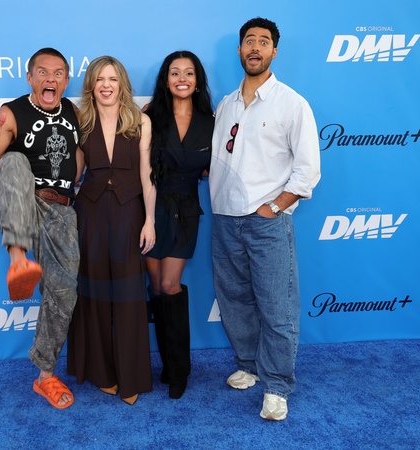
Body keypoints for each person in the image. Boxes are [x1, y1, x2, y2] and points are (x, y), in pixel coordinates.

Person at [208, 18, 321, 421]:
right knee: (235, 301)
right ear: (240, 50)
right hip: (224, 220)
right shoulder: (226, 104)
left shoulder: (292, 103)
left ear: (274, 51)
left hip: (266, 222)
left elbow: (307, 170)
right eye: (249, 41)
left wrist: (275, 206)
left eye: (263, 41)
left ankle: (277, 385)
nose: (255, 47)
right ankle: (249, 365)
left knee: (277, 306)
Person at [0, 47, 83, 410]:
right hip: (22, 200)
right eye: (43, 72)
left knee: (63, 291)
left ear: (66, 80)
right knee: (16, 159)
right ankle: (18, 259)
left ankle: (45, 375)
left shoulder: (74, 112)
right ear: (30, 77)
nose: (50, 78)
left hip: (61, 209)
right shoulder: (12, 112)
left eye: (58, 73)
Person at [67, 55, 156, 406]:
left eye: (112, 79)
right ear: (91, 85)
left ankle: (130, 377)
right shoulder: (81, 121)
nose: (106, 85)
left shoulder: (140, 121)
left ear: (122, 84)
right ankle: (102, 373)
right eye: (100, 79)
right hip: (89, 213)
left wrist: (149, 220)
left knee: (129, 296)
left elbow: (147, 175)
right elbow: (76, 173)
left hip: (128, 213)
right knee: (94, 294)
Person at [143, 50, 214, 399]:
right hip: (151, 209)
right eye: (175, 72)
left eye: (188, 72)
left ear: (197, 80)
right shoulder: (149, 116)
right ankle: (168, 364)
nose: (182, 78)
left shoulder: (211, 121)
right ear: (166, 79)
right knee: (156, 286)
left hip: (186, 209)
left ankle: (180, 369)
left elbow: (218, 164)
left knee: (171, 284)